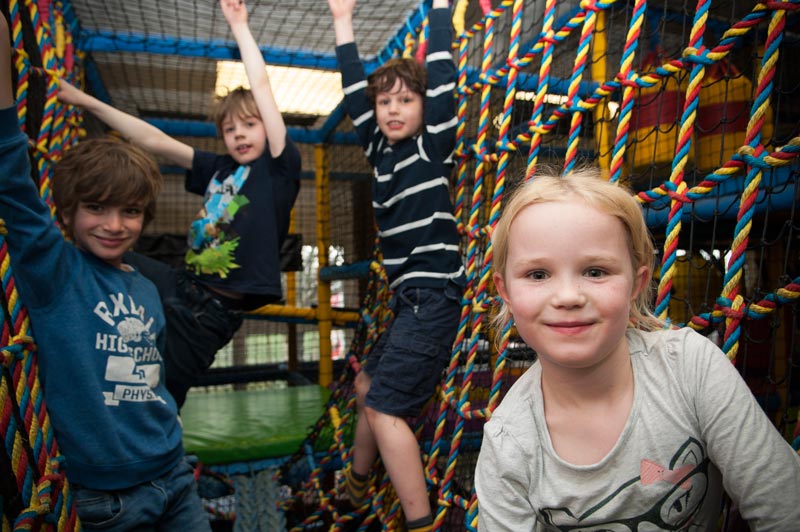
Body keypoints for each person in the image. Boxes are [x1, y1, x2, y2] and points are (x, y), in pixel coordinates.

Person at [474, 169, 800, 531]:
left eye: (596, 272)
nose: (568, 297)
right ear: (505, 291)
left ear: (636, 282)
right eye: (537, 275)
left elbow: (783, 510)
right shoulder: (509, 443)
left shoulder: (689, 368)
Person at [0, 15, 210, 531]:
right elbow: (11, 176)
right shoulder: (56, 271)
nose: (115, 226)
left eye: (131, 212)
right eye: (96, 208)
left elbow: (148, 376)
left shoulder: (145, 286)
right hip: (107, 498)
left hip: (175, 476)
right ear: (67, 213)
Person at [56, 0, 302, 407]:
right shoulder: (219, 169)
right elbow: (155, 141)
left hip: (209, 316)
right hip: (179, 284)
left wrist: (240, 26)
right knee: (98, 258)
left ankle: (169, 452)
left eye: (250, 124)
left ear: (267, 127)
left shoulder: (278, 169)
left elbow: (261, 87)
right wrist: (88, 102)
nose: (239, 135)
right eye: (229, 128)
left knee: (161, 398)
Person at [327, 1, 464, 530]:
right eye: (385, 102)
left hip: (434, 297)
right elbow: (352, 91)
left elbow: (445, 72)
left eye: (406, 100)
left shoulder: (433, 147)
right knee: (365, 387)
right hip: (408, 301)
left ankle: (421, 521)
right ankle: (360, 484)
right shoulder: (379, 152)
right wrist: (343, 22)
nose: (392, 109)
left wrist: (441, 10)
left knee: (384, 407)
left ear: (424, 108)